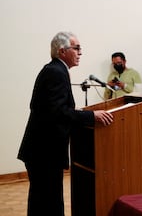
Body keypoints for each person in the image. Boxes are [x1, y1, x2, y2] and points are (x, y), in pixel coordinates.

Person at [17, 31, 113, 216]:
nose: (80, 52)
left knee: (42, 202)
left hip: (41, 151)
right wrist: (91, 116)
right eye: (76, 48)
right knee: (49, 203)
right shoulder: (56, 72)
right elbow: (57, 112)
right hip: (44, 152)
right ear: (62, 51)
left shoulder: (55, 70)